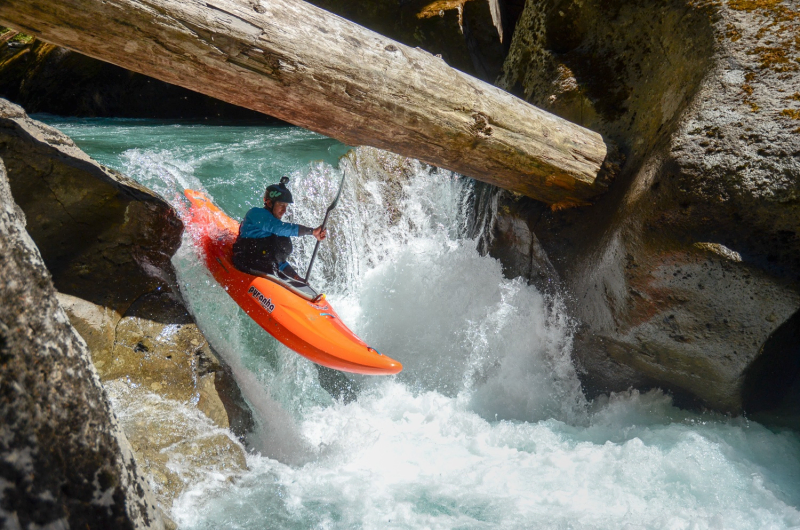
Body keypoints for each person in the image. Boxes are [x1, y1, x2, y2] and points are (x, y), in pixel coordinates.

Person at [232, 176, 326, 281]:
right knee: (282, 234)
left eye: (286, 206)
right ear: (269, 203)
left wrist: (296, 277)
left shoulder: (275, 228)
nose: (284, 210)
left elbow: (279, 261)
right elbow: (279, 228)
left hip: (264, 266)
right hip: (245, 262)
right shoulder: (257, 214)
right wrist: (312, 231)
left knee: (282, 242)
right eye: (281, 205)